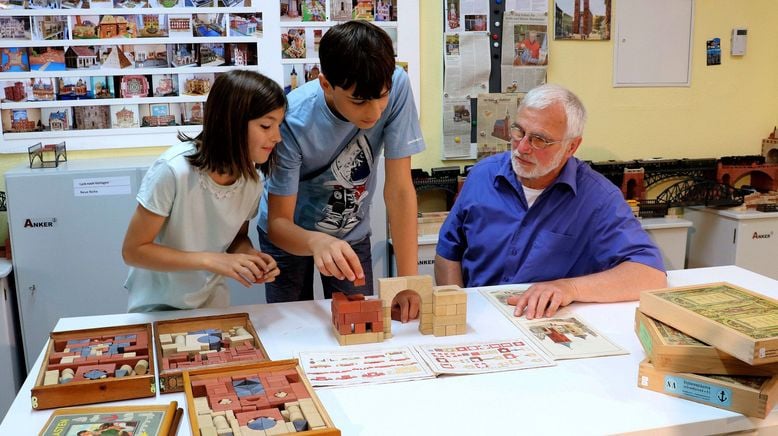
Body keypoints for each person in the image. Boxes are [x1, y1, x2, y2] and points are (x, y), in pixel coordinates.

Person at [435, 83, 667, 319]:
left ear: (572, 146)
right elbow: (448, 252)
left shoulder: (598, 198)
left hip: (543, 324)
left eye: (539, 140)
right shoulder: (481, 176)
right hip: (479, 320)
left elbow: (650, 274)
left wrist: (569, 288)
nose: (522, 147)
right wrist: (456, 311)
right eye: (519, 132)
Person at [257, 20, 425, 322]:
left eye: (381, 97)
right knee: (294, 325)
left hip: (350, 231)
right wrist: (316, 241)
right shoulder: (293, 119)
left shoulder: (397, 84)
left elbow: (399, 189)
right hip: (291, 233)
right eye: (358, 101)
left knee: (359, 322)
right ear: (326, 84)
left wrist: (408, 280)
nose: (374, 113)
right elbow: (278, 222)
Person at [122, 70, 284, 312]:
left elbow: (236, 238)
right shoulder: (174, 170)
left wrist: (249, 256)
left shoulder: (252, 181)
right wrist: (210, 259)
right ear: (231, 122)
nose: (277, 137)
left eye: (279, 126)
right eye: (266, 125)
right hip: (156, 305)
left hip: (211, 303)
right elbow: (134, 251)